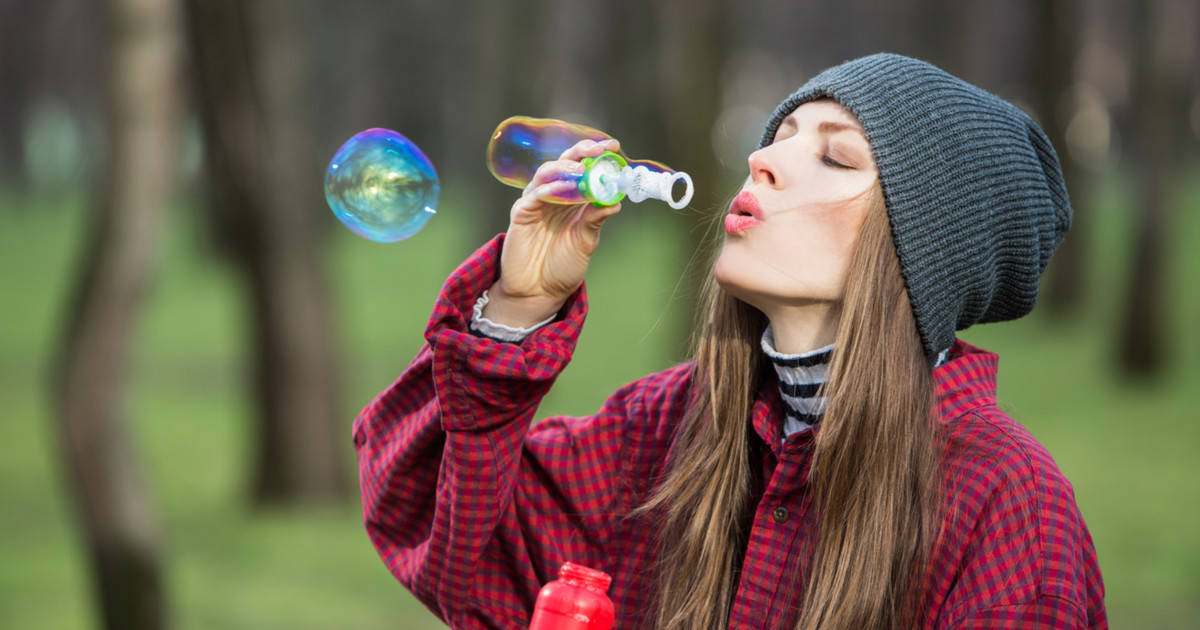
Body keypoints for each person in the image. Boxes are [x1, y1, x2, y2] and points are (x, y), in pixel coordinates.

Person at [353, 53, 1107, 630]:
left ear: (927, 249)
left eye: (836, 156)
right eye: (779, 137)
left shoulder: (1008, 505)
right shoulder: (667, 425)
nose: (762, 160)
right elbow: (448, 545)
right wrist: (518, 308)